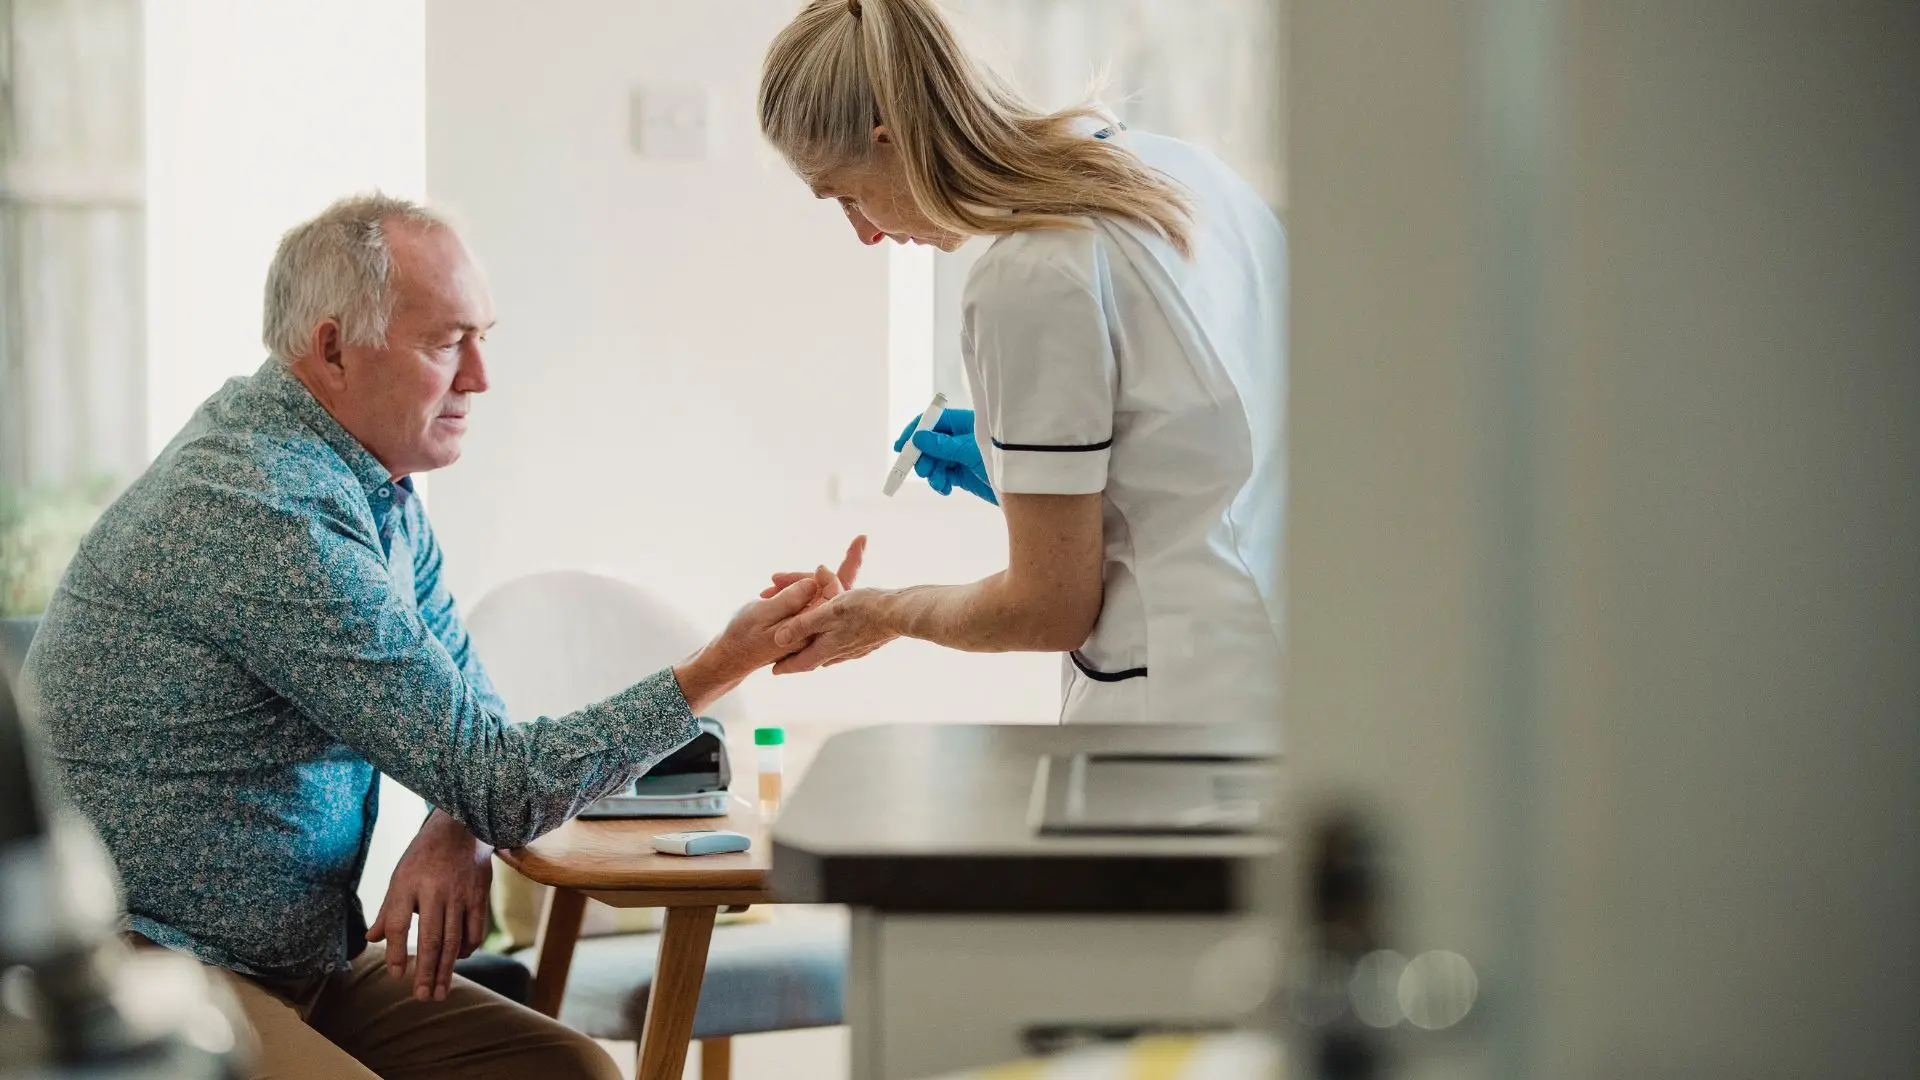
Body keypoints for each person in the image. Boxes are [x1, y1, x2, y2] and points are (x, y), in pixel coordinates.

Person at [20, 194, 824, 1080]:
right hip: (161, 961)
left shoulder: (379, 492)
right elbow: (503, 780)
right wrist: (723, 663)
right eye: (446, 344)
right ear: (331, 349)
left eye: (483, 337)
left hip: (302, 958)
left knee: (572, 1072)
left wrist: (456, 820)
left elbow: (471, 712)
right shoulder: (263, 509)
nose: (480, 376)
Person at [755, 0, 1286, 726]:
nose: (866, 234)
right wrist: (1035, 475)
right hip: (1290, 668)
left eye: (849, 196)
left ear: (894, 141)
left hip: (1180, 718)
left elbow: (1047, 611)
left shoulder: (1029, 272)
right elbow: (1207, 449)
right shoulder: (1183, 173)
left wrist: (882, 613)